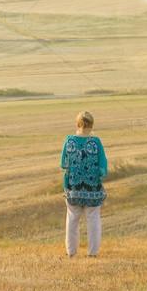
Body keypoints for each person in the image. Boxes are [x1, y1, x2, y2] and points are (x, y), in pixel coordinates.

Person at [60, 110, 107, 257]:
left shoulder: (69, 141)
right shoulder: (96, 142)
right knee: (93, 221)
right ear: (92, 125)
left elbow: (63, 164)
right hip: (93, 189)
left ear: (77, 124)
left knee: (72, 220)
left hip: (73, 189)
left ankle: (71, 253)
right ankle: (92, 253)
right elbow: (103, 168)